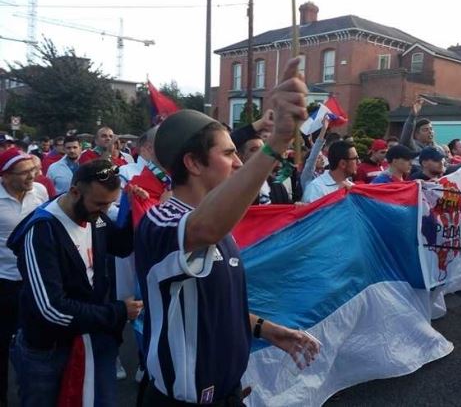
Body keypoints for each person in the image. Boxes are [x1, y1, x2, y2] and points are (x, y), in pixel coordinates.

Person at [135, 58, 320, 406]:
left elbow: (216, 306)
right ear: (193, 163)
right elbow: (204, 228)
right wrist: (277, 140)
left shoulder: (219, 226)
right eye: (229, 153)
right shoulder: (161, 222)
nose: (238, 162)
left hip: (228, 393)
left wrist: (268, 330)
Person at [7, 159, 143, 406]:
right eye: (99, 203)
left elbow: (121, 246)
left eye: (110, 203)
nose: (104, 210)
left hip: (91, 339)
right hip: (48, 350)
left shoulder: (95, 217)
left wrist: (135, 208)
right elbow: (50, 308)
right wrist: (117, 311)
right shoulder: (43, 230)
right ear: (74, 192)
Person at [0, 148, 48, 407]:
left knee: (32, 346)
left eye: (33, 170)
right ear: (5, 176)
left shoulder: (39, 191)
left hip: (33, 281)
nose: (32, 176)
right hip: (3, 282)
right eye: (24, 172)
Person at [400, 97, 445, 166]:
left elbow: (446, 166)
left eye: (431, 129)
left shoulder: (439, 149)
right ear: (416, 135)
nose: (430, 132)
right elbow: (406, 137)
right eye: (425, 130)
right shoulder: (414, 147)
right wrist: (412, 116)